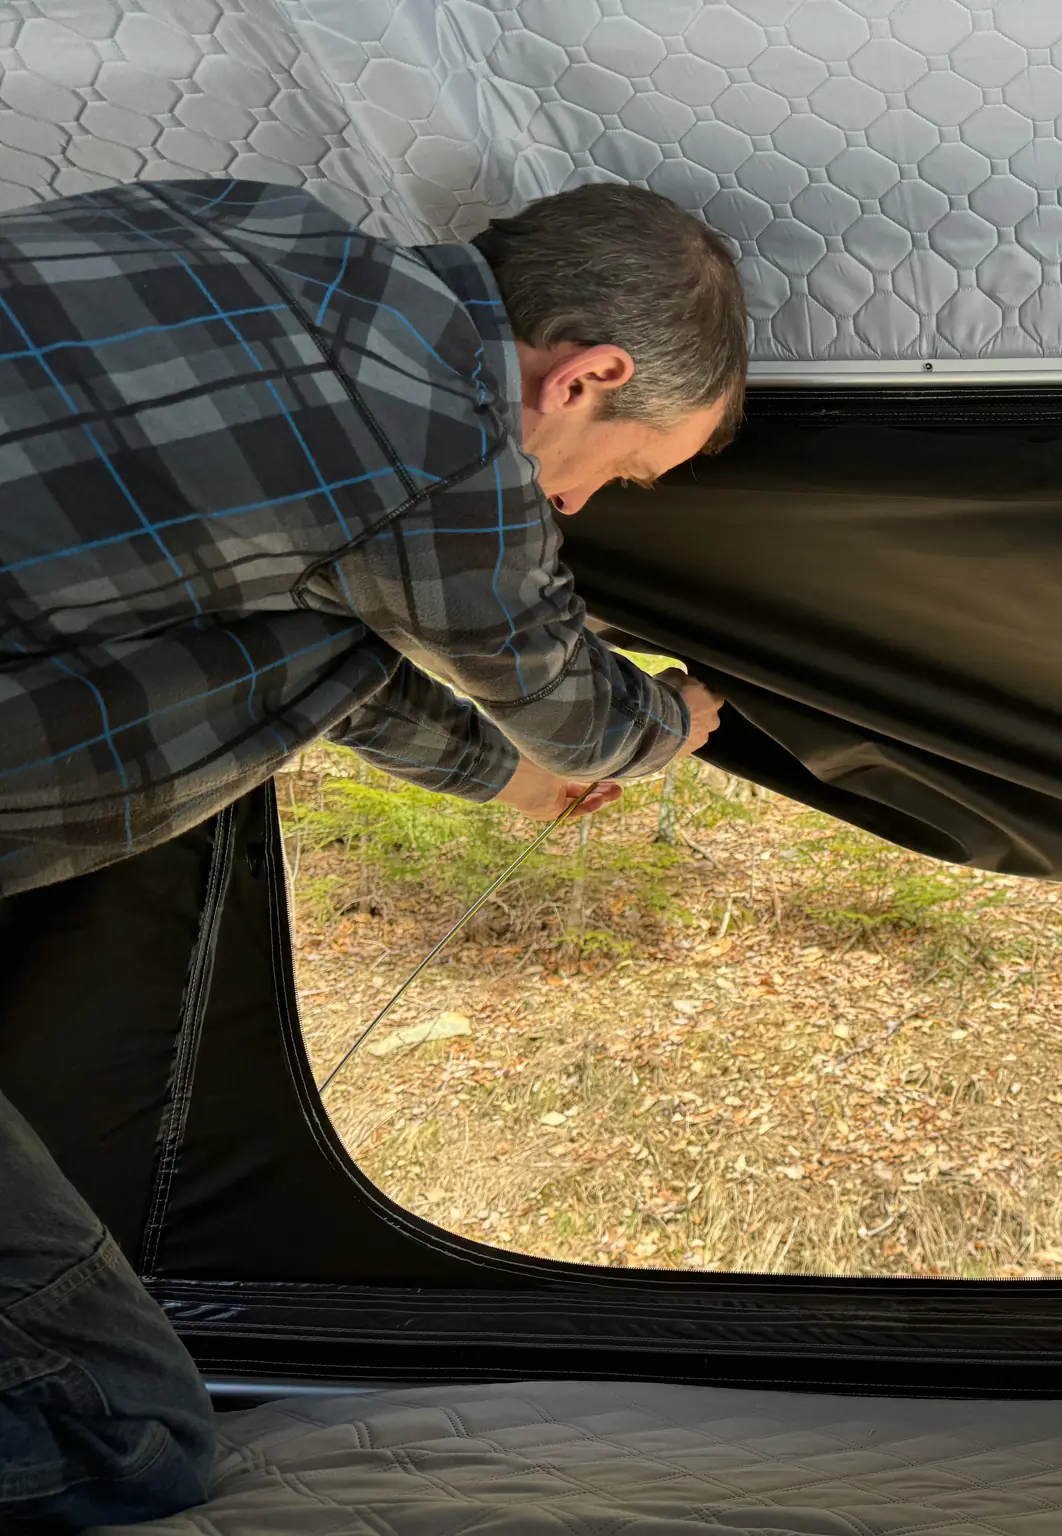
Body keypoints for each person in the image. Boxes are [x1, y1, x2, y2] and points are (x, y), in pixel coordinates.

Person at [0, 177, 745, 1525]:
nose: (576, 511)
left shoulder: (253, 221)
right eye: (623, 471)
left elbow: (324, 635)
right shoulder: (445, 446)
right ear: (585, 377)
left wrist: (493, 779)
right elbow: (573, 706)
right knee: (124, 1436)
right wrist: (666, 726)